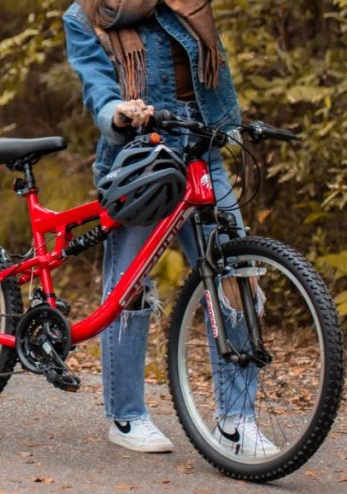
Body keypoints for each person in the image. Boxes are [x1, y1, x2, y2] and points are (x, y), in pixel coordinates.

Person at [63, 0, 275, 454]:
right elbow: (96, 88)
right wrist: (118, 112)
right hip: (139, 155)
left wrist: (232, 125)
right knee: (130, 286)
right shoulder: (86, 15)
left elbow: (211, 69)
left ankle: (237, 422)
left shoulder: (188, 4)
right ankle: (125, 416)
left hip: (203, 150)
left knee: (235, 278)